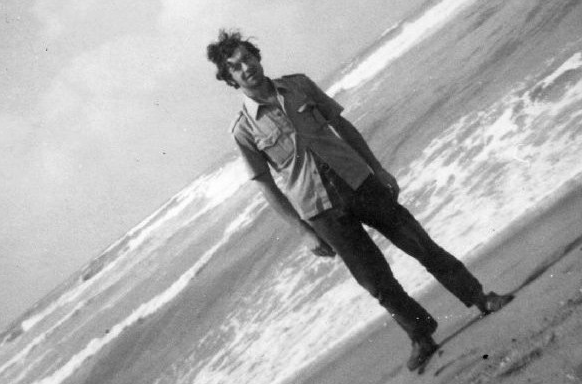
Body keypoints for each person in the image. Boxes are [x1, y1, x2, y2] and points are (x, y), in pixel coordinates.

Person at [206, 30, 514, 372]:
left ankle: (481, 298)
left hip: (360, 183)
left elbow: (342, 125)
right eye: (236, 67)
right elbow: (267, 187)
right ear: (229, 78)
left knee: (421, 245)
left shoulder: (298, 85)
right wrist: (304, 231)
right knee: (376, 282)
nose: (246, 67)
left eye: (247, 58)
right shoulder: (244, 130)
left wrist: (377, 168)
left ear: (256, 56)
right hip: (322, 211)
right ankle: (421, 335)